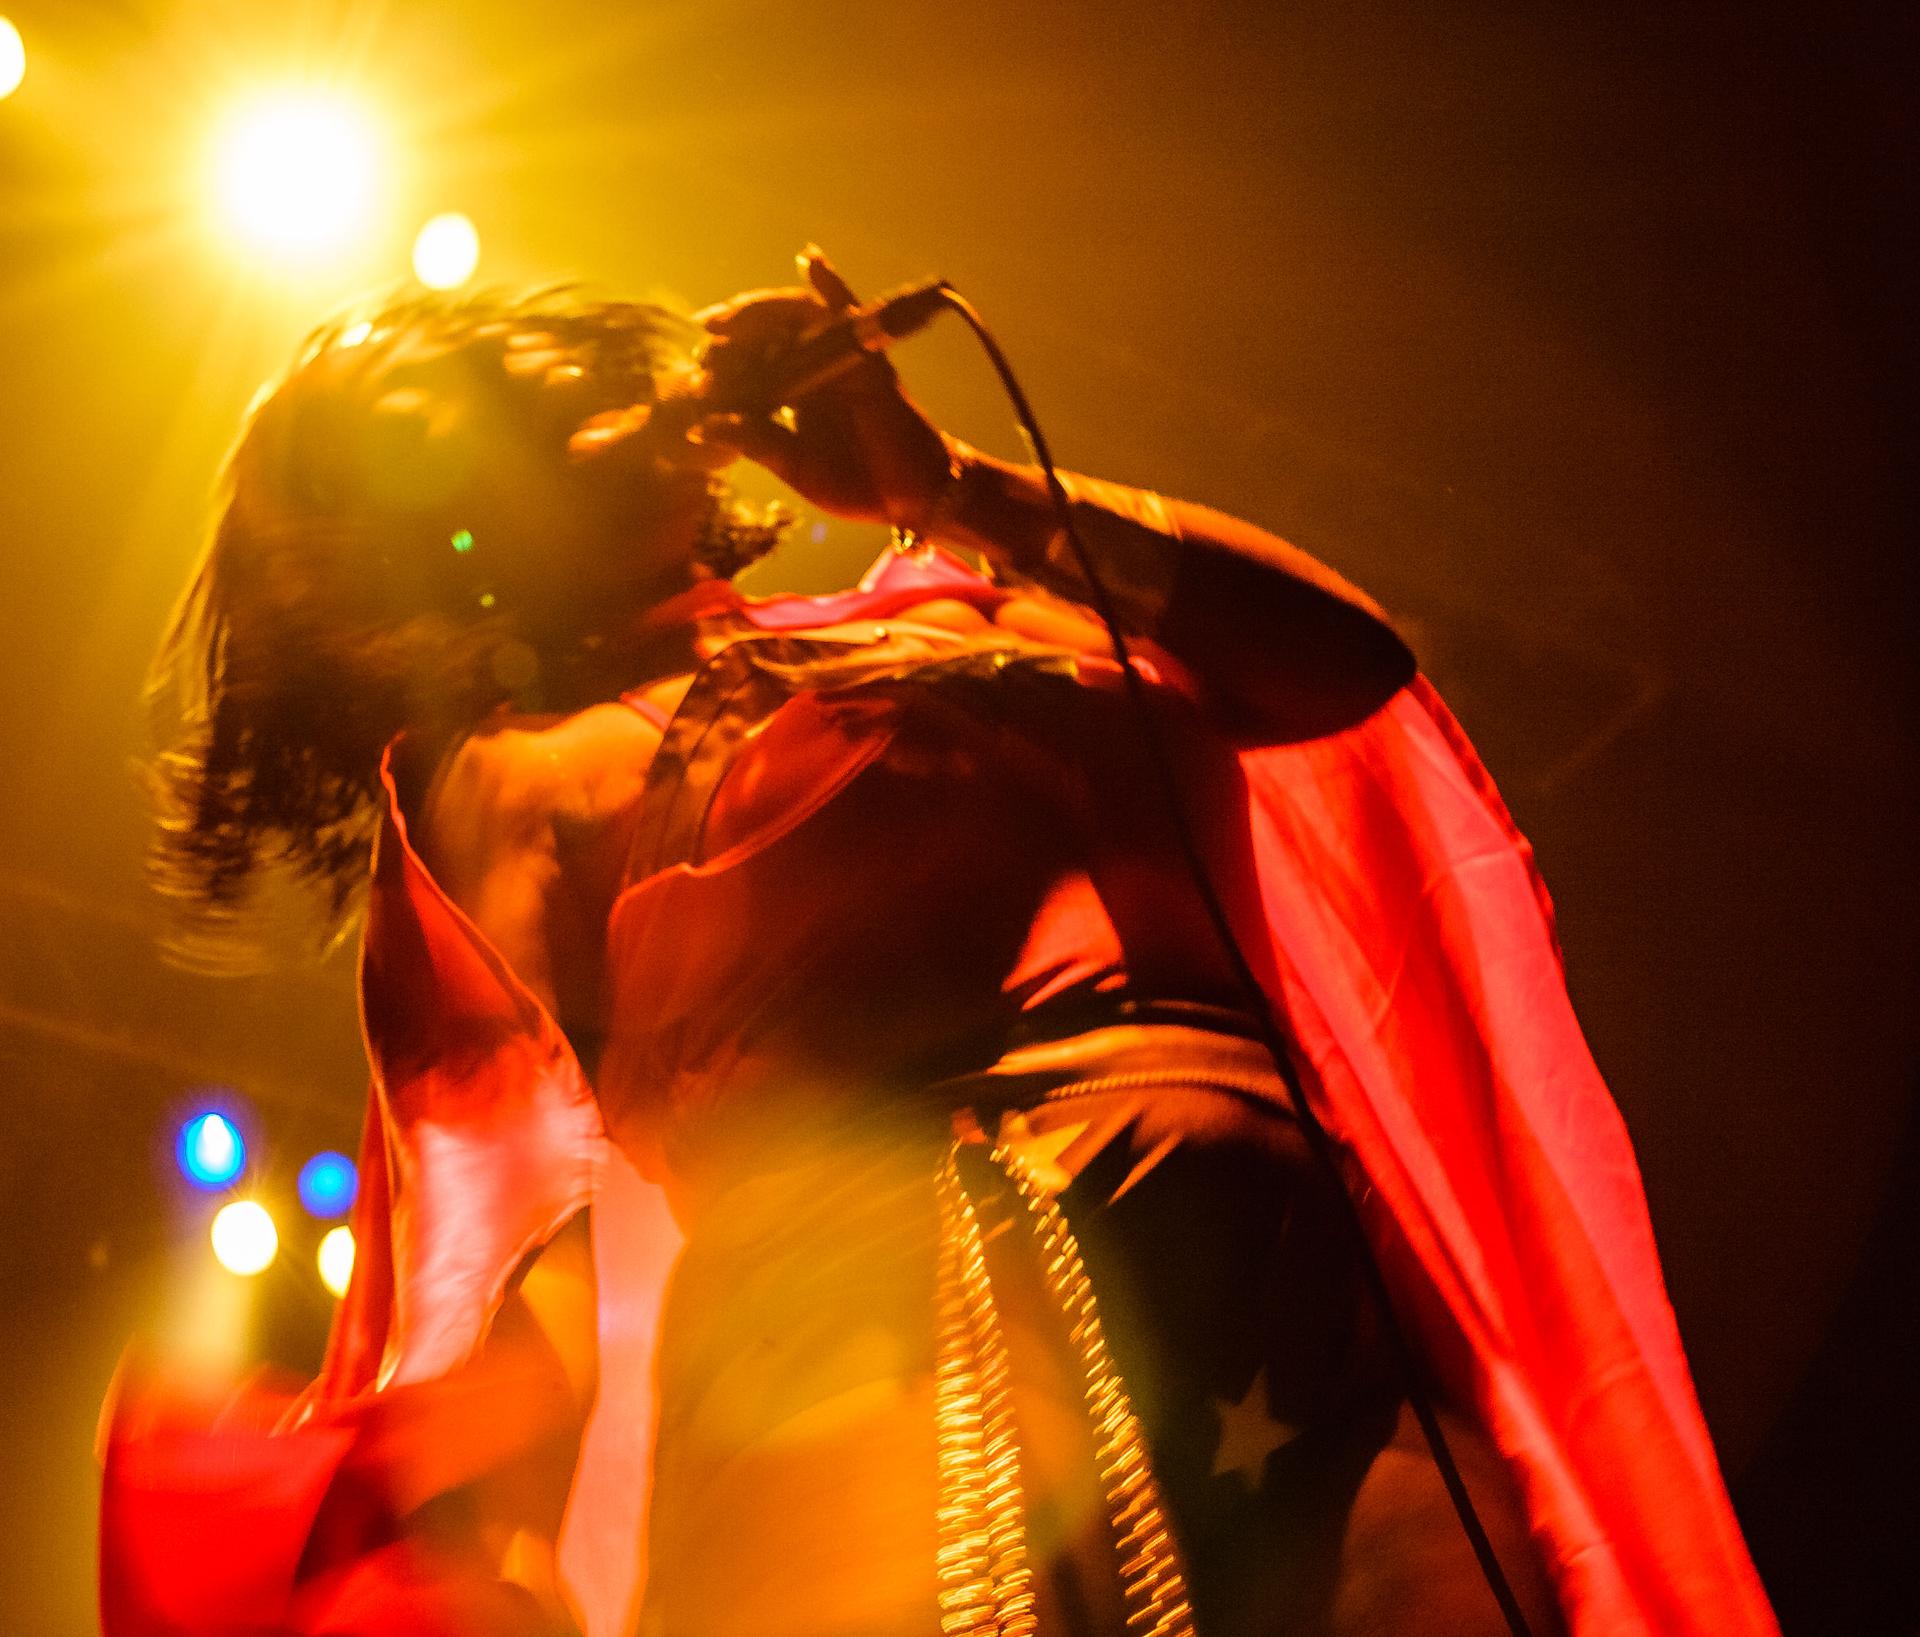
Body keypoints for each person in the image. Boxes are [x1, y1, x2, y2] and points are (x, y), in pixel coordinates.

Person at [101, 251, 1777, 1637]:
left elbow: (1342, 666)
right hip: (872, 1362)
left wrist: (951, 487)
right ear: (453, 539)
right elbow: (538, 1204)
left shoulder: (962, 600)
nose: (619, 413)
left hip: (1294, 1307)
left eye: (581, 381)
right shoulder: (510, 777)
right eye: (536, 428)